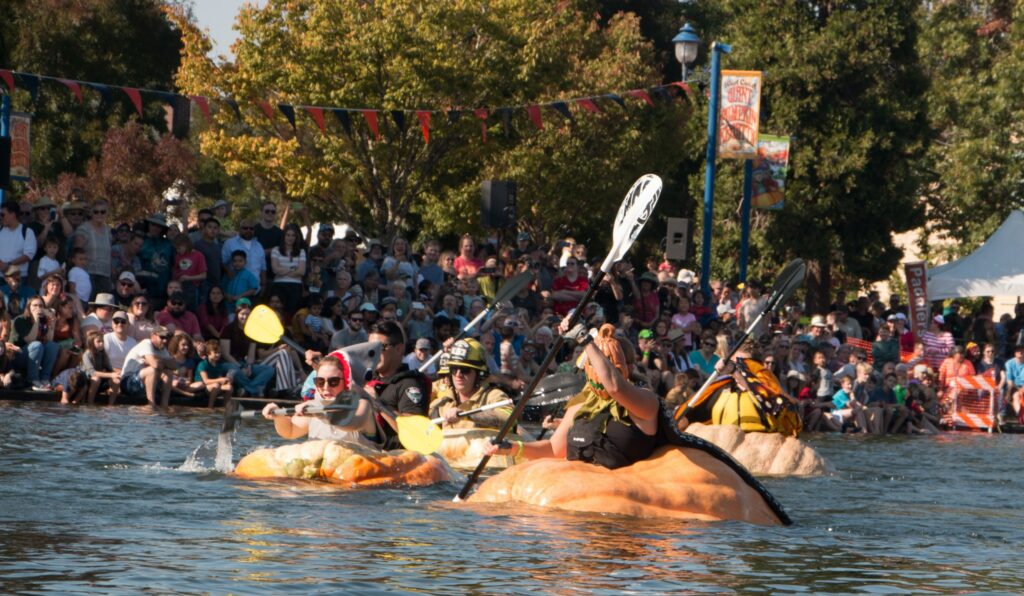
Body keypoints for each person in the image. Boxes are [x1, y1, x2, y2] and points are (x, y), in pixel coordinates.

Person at [486, 323, 660, 469]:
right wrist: (513, 447)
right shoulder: (580, 403)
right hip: (579, 489)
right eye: (592, 365)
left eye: (608, 365)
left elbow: (615, 387)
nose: (599, 373)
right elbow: (554, 449)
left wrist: (585, 340)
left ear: (628, 368)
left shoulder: (646, 401)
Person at [261, 353, 378, 446]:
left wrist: (320, 414)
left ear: (346, 381)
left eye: (333, 382)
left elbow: (354, 424)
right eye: (320, 382)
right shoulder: (313, 405)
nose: (326, 388)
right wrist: (278, 416)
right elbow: (290, 431)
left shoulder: (363, 403)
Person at [365, 321, 431, 450]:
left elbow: (414, 433)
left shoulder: (409, 384)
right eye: (370, 348)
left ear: (399, 349)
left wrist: (378, 403)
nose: (374, 353)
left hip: (395, 461)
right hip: (366, 454)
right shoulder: (369, 377)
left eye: (380, 347)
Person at [429, 338, 512, 430]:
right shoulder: (442, 400)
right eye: (454, 369)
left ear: (479, 373)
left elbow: (509, 418)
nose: (458, 375)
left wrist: (467, 415)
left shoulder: (493, 396)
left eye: (465, 370)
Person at [10, 296, 60, 390]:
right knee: (36, 345)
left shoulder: (43, 320)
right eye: (35, 305)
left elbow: (49, 340)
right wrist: (36, 320)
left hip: (36, 353)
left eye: (41, 306)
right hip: (17, 355)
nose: (38, 308)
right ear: (29, 307)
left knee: (53, 346)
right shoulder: (20, 320)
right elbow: (30, 340)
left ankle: (45, 378)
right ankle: (32, 379)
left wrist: (51, 325)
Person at [120, 325, 176, 407]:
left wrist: (159, 360)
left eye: (167, 337)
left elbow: (174, 366)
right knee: (152, 370)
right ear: (153, 335)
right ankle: (151, 404)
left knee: (169, 372)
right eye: (162, 337)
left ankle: (164, 404)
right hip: (128, 383)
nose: (165, 340)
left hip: (143, 383)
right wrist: (164, 362)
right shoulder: (146, 343)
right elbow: (155, 365)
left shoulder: (162, 349)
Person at [71, 199, 113, 296]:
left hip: (105, 275)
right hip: (87, 275)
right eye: (96, 212)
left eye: (103, 212)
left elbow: (108, 253)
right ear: (91, 213)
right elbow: (76, 252)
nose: (99, 214)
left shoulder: (108, 231)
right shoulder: (84, 229)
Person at [270, 223, 306, 317]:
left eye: (293, 235)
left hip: (295, 287)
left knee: (291, 313)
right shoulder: (275, 250)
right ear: (284, 236)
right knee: (277, 313)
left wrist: (283, 270)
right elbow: (275, 269)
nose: (290, 238)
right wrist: (293, 268)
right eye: (288, 235)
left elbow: (301, 271)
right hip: (279, 285)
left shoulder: (301, 252)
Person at [81, 330, 120, 405]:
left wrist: (116, 374)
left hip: (100, 380)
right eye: (98, 341)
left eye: (102, 341)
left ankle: (111, 404)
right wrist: (111, 375)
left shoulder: (103, 354)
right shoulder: (87, 354)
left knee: (116, 380)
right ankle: (90, 403)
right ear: (91, 343)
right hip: (87, 381)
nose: (101, 343)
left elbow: (110, 368)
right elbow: (93, 373)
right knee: (96, 379)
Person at [0, 200, 38, 279]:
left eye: (3, 215)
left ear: (13, 215)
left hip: (18, 278)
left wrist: (9, 264)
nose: (1, 217)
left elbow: (28, 255)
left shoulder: (27, 231)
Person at [195, 339, 234, 408]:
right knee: (215, 385)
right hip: (203, 387)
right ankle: (210, 407)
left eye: (219, 353)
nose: (218, 355)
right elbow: (206, 381)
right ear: (208, 353)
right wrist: (220, 380)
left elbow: (219, 378)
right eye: (215, 353)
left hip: (216, 386)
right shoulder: (203, 364)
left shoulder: (219, 365)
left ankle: (225, 407)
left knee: (229, 387)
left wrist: (227, 380)